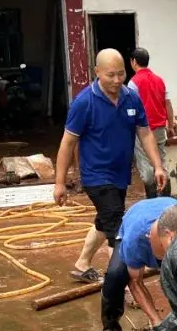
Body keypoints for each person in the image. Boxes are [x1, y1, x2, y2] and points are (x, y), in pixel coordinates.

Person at [54, 49, 168, 283]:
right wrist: (59, 183)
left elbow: (145, 133)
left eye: (121, 74)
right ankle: (122, 284)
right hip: (96, 176)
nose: (117, 80)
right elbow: (67, 143)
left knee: (105, 220)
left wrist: (158, 166)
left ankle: (82, 264)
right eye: (110, 75)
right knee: (117, 229)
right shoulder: (84, 102)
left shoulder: (131, 97)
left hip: (120, 174)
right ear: (96, 72)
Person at [98, 196, 177, 331]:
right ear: (150, 238)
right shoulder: (135, 239)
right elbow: (135, 283)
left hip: (172, 219)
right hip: (136, 220)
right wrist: (156, 322)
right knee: (115, 276)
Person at [128, 47, 176, 198]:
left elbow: (130, 109)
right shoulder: (160, 80)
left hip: (143, 132)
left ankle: (151, 200)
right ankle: (166, 200)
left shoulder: (133, 83)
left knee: (146, 167)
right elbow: (167, 104)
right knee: (161, 164)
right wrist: (171, 125)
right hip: (160, 129)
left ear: (134, 62)